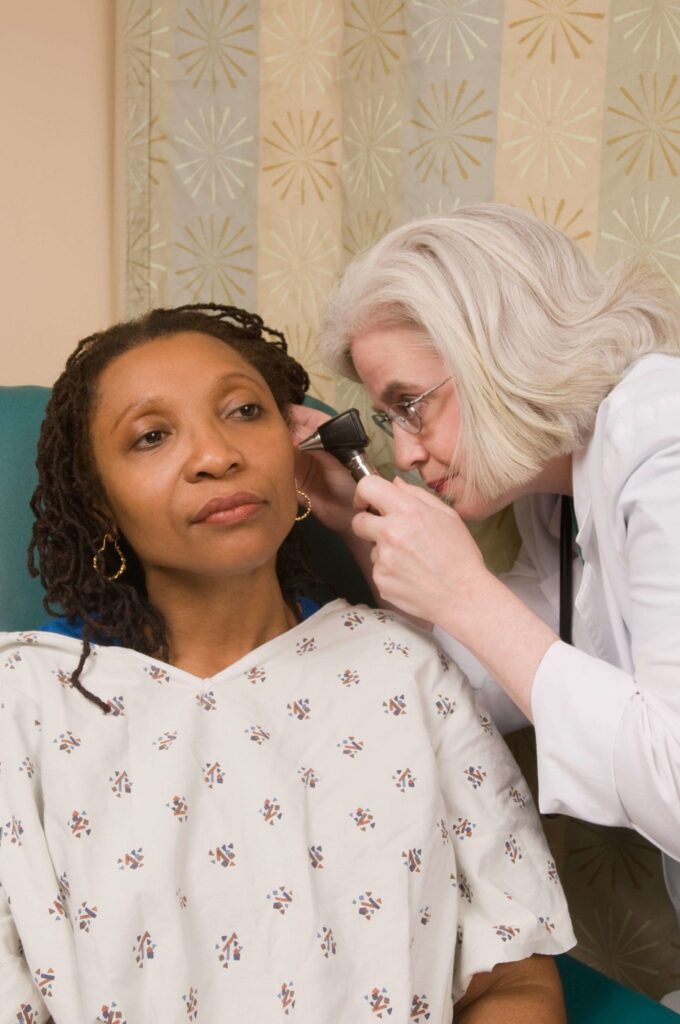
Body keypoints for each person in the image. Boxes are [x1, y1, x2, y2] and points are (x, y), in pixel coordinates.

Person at [0, 305, 575, 1023]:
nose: (217, 454)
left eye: (244, 411)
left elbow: (513, 983)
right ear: (98, 503)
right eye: (152, 436)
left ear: (294, 451)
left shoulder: (406, 673)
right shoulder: (24, 708)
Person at [293, 203, 680, 932]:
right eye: (387, 420)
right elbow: (488, 681)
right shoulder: (554, 486)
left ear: (499, 351)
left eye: (411, 405)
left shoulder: (664, 449)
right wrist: (354, 521)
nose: (404, 454)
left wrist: (465, 593)